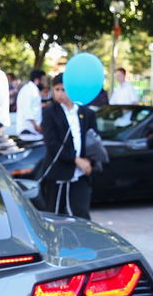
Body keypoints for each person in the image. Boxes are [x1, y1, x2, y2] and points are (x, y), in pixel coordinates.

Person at [37, 74, 97, 218]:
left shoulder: (86, 113)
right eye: (56, 89)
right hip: (59, 172)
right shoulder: (50, 113)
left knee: (81, 214)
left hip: (81, 174)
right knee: (55, 215)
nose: (59, 94)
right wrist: (75, 159)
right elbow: (52, 144)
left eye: (63, 90)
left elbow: (94, 140)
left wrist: (90, 161)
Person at [15, 69, 46, 137]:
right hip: (28, 129)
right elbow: (27, 109)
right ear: (37, 80)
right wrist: (35, 125)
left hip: (33, 130)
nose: (44, 83)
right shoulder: (28, 90)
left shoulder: (33, 89)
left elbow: (34, 106)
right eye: (43, 80)